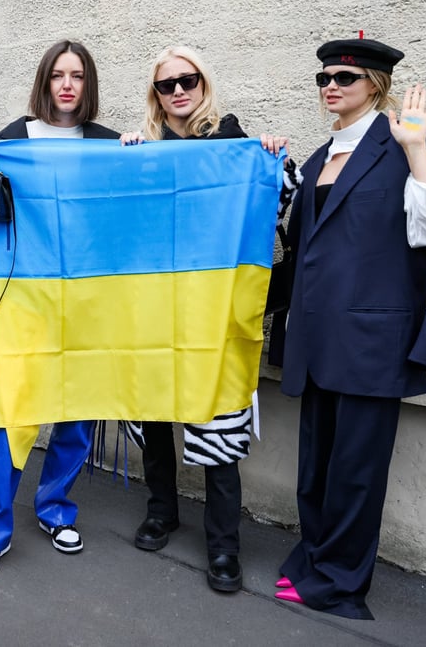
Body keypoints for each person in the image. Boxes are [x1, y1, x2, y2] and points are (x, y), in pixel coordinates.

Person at [271, 37, 426, 619]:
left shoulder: (412, 144)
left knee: (356, 472)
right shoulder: (318, 157)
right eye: (324, 78)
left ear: (377, 85)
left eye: (345, 77)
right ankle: (315, 560)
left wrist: (414, 148)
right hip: (316, 335)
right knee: (316, 465)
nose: (331, 86)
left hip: (372, 342)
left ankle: (340, 583)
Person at [118, 45, 294, 593]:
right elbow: (118, 218)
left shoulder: (233, 145)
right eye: (166, 84)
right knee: (155, 414)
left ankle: (224, 544)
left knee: (218, 419)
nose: (177, 91)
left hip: (211, 311)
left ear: (203, 84)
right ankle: (161, 511)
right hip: (154, 306)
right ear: (155, 95)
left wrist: (273, 160)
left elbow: (277, 201)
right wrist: (124, 164)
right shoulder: (145, 152)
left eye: (187, 80)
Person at [0, 40, 120, 580]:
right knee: (10, 413)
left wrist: (139, 155)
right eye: (57, 75)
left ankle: (55, 508)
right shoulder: (13, 138)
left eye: (77, 75)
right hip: (24, 300)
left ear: (88, 83)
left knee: (79, 408)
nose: (67, 85)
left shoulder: (109, 143)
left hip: (90, 300)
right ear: (44, 82)